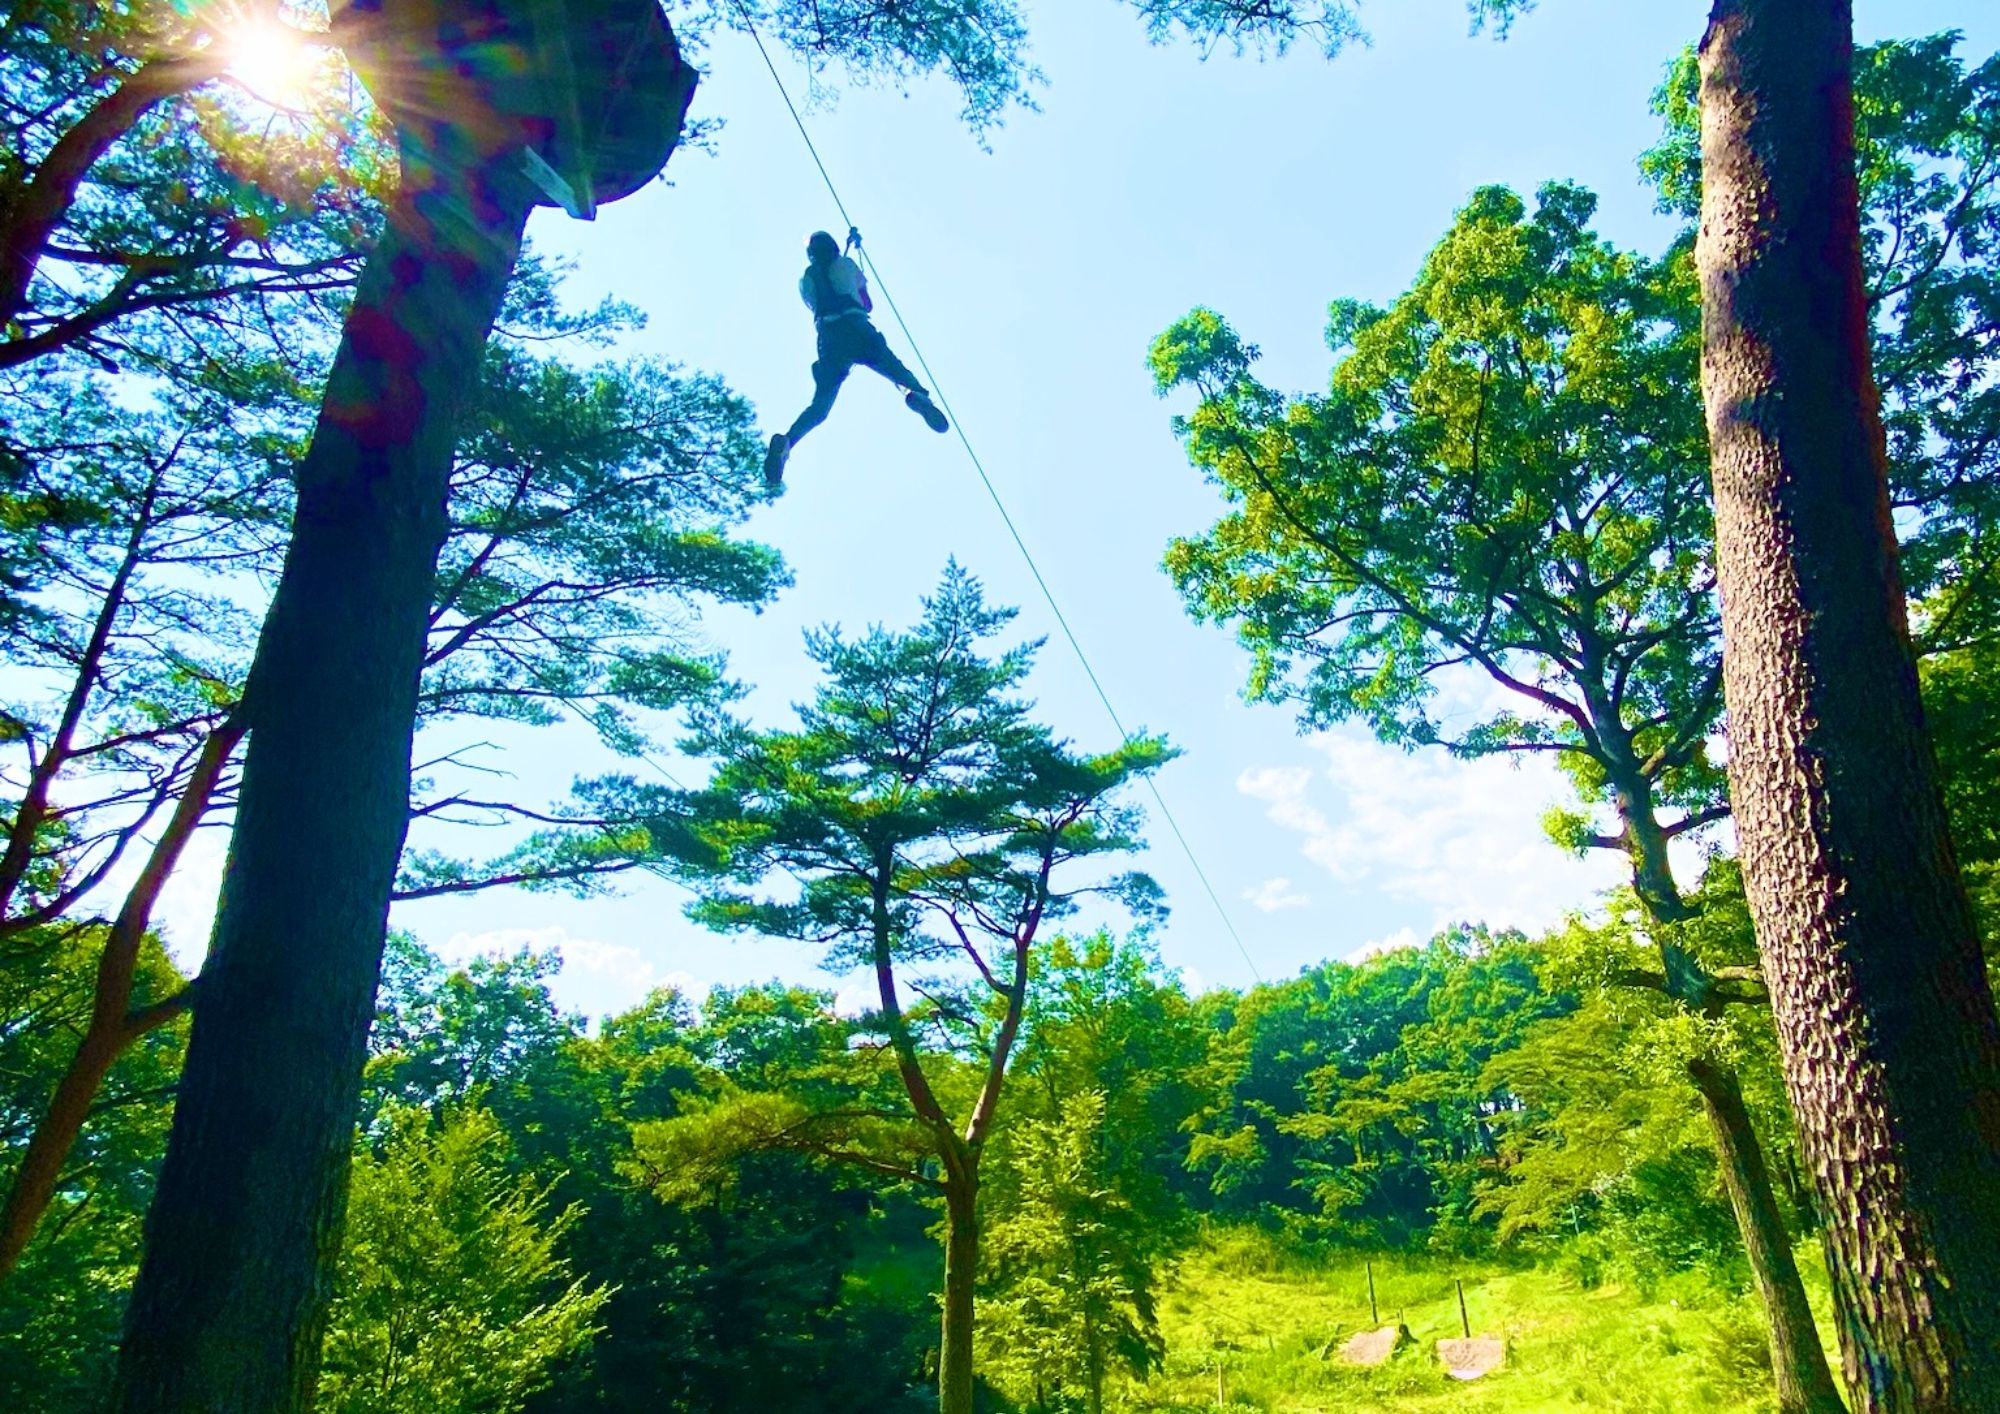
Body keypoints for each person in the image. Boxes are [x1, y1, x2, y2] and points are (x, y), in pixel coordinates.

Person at [763, 229, 949, 488]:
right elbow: (867, 303)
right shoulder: (846, 264)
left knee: (820, 406)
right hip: (857, 326)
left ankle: (787, 442)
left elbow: (816, 305)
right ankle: (918, 396)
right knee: (897, 370)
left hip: (829, 337)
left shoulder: (805, 281)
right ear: (834, 248)